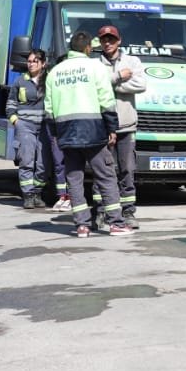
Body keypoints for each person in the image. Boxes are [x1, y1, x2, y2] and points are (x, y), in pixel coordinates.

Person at [43, 31, 130, 237]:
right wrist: (112, 129)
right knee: (106, 176)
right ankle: (116, 223)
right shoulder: (96, 67)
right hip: (94, 132)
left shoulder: (55, 72)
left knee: (74, 178)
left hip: (66, 132)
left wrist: (55, 134)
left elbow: (48, 109)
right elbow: (107, 101)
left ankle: (81, 225)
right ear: (88, 48)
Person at [94, 24, 147, 224]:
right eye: (104, 39)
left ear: (119, 40)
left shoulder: (132, 61)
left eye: (111, 39)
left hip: (126, 126)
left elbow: (141, 85)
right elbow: (94, 86)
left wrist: (110, 84)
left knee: (127, 170)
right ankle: (100, 211)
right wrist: (118, 78)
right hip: (103, 126)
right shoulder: (95, 64)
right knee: (103, 170)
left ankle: (128, 212)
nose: (107, 43)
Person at [6, 48, 50, 210]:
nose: (31, 64)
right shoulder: (20, 81)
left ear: (43, 64)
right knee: (27, 160)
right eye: (29, 61)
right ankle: (28, 195)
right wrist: (15, 120)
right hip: (25, 126)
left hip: (44, 127)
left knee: (43, 163)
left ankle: (38, 192)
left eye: (34, 61)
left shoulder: (49, 80)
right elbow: (10, 103)